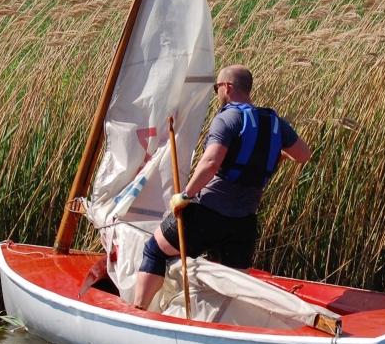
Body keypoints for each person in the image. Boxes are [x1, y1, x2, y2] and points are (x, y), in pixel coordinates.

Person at [133, 64, 311, 310]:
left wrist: (185, 195)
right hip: (244, 223)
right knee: (233, 283)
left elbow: (211, 162)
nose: (217, 92)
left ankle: (138, 311)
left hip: (208, 213)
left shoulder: (228, 117)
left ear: (226, 87)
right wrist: (275, 156)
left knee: (155, 250)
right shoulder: (276, 124)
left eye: (217, 87)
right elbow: (303, 154)